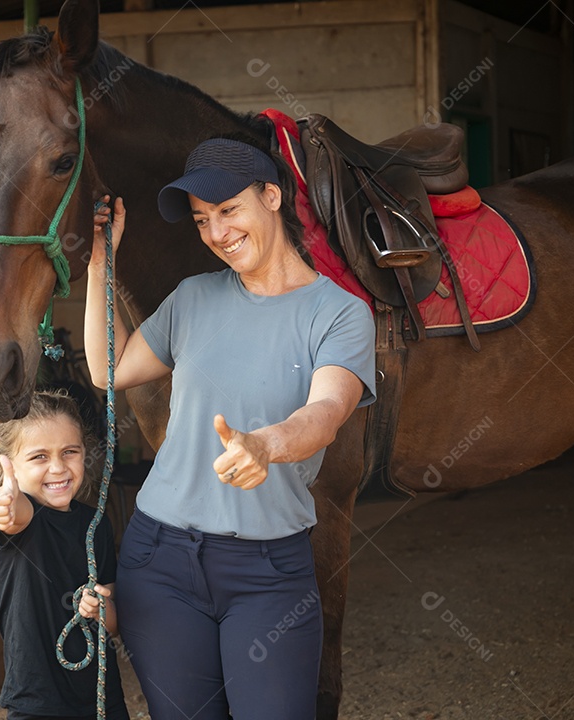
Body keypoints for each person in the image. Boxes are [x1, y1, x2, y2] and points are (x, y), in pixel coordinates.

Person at [84, 136, 377, 720]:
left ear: (271, 197)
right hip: (158, 559)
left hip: (267, 570)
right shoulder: (194, 298)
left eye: (228, 211)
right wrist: (100, 266)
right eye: (201, 220)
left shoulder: (339, 313)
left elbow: (325, 415)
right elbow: (106, 369)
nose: (217, 233)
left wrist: (265, 444)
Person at [0, 390, 129, 720]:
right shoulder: (21, 522)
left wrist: (98, 607)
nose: (58, 467)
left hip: (100, 697)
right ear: (10, 465)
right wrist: (8, 500)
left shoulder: (97, 525)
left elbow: (114, 623)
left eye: (69, 452)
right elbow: (16, 515)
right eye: (39, 457)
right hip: (37, 701)